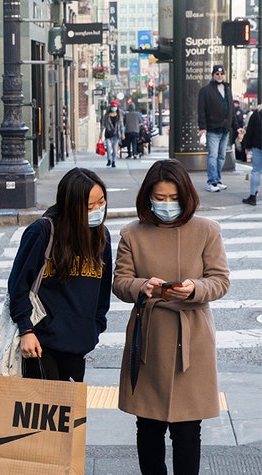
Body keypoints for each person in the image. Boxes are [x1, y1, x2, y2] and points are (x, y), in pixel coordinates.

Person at [113, 159, 229, 475]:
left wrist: (195, 288)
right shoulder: (132, 234)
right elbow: (120, 283)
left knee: (188, 430)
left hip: (193, 337)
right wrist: (142, 285)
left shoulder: (206, 230)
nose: (166, 205)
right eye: (159, 198)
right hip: (149, 336)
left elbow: (220, 280)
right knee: (148, 426)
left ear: (185, 195)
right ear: (148, 196)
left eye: (172, 198)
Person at [7, 168, 112, 381]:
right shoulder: (43, 231)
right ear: (71, 206)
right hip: (41, 344)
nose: (97, 210)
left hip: (78, 345)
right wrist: (26, 330)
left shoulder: (101, 236)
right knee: (46, 413)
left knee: (70, 414)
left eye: (101, 202)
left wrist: (96, 327)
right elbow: (18, 284)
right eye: (89, 206)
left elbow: (103, 289)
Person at [197, 64, 233, 192]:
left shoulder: (227, 89)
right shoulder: (205, 91)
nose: (219, 76)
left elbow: (230, 108)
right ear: (213, 75)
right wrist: (202, 127)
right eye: (217, 74)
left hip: (225, 128)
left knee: (221, 156)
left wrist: (233, 125)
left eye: (221, 73)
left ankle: (217, 179)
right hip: (212, 128)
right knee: (212, 156)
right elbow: (201, 110)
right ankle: (211, 182)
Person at [241, 107, 260, 205]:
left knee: (256, 171)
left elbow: (250, 131)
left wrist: (247, 146)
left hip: (258, 145)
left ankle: (253, 196)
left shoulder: (256, 114)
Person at [100, 100, 122, 167]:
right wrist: (100, 133)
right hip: (108, 134)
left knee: (115, 148)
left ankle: (113, 161)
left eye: (115, 106)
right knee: (109, 147)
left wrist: (122, 134)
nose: (113, 108)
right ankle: (109, 160)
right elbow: (103, 125)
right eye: (112, 106)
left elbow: (121, 125)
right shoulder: (106, 116)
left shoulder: (119, 116)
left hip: (116, 134)